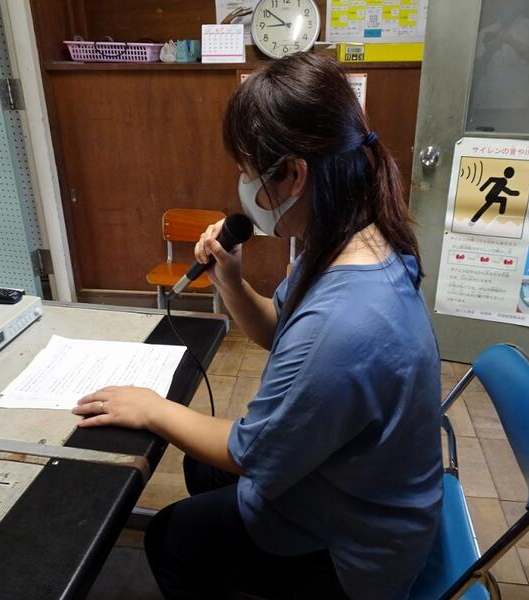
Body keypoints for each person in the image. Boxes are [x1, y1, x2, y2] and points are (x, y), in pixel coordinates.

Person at [72, 53, 443, 599]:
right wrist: (231, 280)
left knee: (170, 538)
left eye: (247, 171)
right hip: (347, 484)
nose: (243, 186)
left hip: (355, 551)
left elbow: (249, 453)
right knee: (201, 471)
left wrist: (153, 408)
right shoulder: (350, 237)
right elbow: (277, 327)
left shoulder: (345, 321)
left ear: (293, 174)